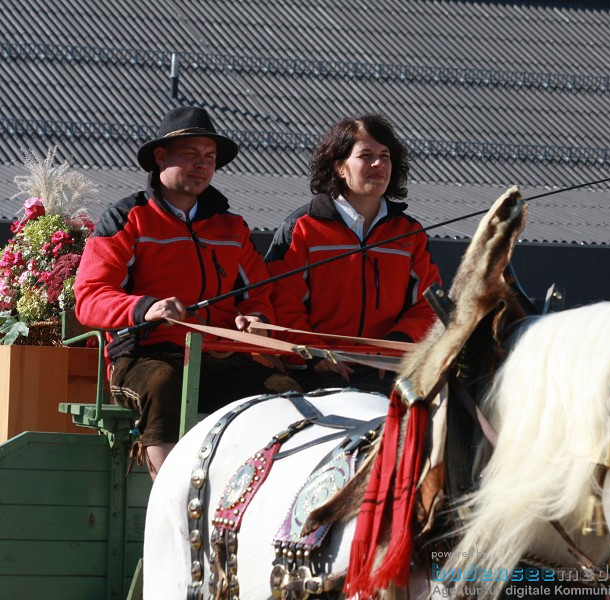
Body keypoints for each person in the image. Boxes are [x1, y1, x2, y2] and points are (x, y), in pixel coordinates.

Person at [75, 106, 301, 479]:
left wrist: (255, 317)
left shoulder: (232, 226)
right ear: (160, 157)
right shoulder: (127, 218)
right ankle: (173, 503)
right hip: (142, 357)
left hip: (219, 355)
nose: (202, 165)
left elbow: (258, 292)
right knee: (165, 385)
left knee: (283, 391)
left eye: (209, 158)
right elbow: (89, 296)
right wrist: (145, 308)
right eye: (192, 155)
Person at [265, 114, 441, 395]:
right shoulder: (301, 228)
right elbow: (281, 303)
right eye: (366, 155)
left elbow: (428, 306)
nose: (379, 164)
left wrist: (395, 346)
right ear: (339, 167)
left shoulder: (410, 234)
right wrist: (315, 357)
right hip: (319, 372)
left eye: (385, 156)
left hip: (389, 369)